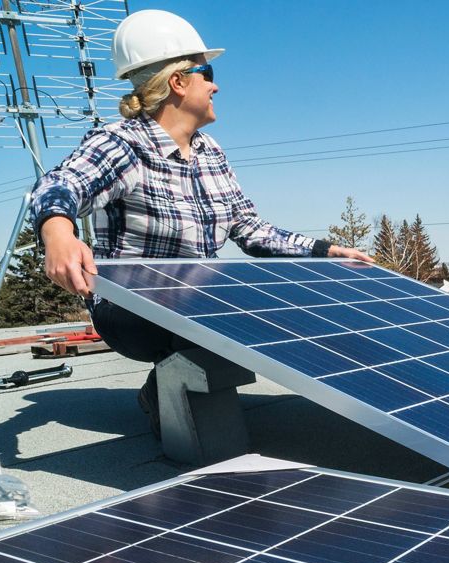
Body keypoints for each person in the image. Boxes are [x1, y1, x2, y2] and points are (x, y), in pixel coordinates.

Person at [33, 9, 371, 437]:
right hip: (130, 309)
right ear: (178, 81)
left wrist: (324, 252)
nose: (215, 84)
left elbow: (250, 229)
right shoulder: (122, 144)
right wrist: (58, 232)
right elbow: (60, 184)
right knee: (222, 309)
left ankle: (170, 386)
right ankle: (169, 401)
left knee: (265, 303)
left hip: (198, 298)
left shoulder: (210, 151)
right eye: (205, 72)